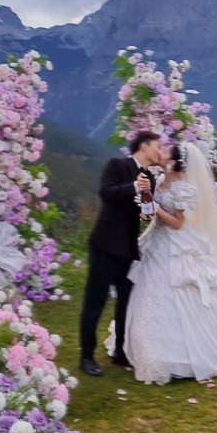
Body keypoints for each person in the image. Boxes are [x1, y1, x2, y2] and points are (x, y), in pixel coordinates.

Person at [124, 141, 217, 383]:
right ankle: (150, 351)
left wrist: (155, 207)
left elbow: (179, 223)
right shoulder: (161, 179)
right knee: (150, 294)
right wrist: (146, 206)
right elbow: (151, 211)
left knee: (179, 292)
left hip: (177, 245)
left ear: (175, 161)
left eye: (167, 151)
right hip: (157, 242)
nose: (162, 152)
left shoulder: (185, 188)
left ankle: (184, 358)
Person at [79, 131, 161, 376]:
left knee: (126, 302)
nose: (160, 151)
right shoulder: (117, 164)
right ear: (144, 147)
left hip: (127, 248)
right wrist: (134, 186)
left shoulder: (150, 178)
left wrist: (146, 196)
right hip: (104, 245)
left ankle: (120, 351)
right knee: (95, 301)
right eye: (158, 146)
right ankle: (87, 356)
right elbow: (106, 193)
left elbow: (145, 215)